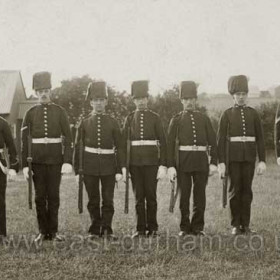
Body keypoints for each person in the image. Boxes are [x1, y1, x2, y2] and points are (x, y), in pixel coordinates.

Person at [21, 71, 73, 243]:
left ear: (50, 91)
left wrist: (67, 161)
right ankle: (43, 231)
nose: (43, 93)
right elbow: (24, 141)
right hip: (36, 161)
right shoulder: (30, 113)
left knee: (54, 196)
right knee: (39, 197)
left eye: (46, 90)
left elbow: (68, 137)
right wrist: (25, 165)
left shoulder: (60, 112)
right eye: (40, 90)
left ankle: (54, 231)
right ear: (36, 93)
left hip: (55, 160)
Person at [74, 81, 125, 239]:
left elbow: (120, 147)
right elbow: (78, 147)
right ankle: (95, 229)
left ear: (106, 102)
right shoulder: (84, 123)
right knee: (93, 199)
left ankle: (107, 229)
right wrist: (78, 171)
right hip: (89, 166)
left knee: (108, 199)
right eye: (95, 100)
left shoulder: (113, 122)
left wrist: (119, 169)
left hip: (109, 166)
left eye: (102, 100)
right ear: (90, 102)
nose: (99, 103)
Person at [217, 75, 266, 235]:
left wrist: (262, 160)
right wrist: (221, 162)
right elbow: (220, 141)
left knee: (247, 191)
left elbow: (260, 139)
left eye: (244, 93)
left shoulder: (253, 114)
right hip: (233, 158)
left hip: (249, 158)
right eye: (238, 94)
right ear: (233, 95)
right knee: (234, 190)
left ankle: (246, 224)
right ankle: (235, 224)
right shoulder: (227, 114)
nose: (241, 97)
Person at [167, 81, 217, 236]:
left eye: (192, 99)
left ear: (196, 100)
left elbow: (213, 141)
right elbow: (169, 145)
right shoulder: (176, 119)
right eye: (186, 99)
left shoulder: (204, 119)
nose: (189, 102)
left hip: (201, 162)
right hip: (183, 162)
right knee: (184, 195)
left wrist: (214, 162)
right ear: (182, 100)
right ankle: (184, 227)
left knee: (200, 195)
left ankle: (197, 227)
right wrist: (170, 166)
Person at [122, 80, 167, 238]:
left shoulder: (155, 118)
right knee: (138, 197)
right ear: (133, 100)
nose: (141, 101)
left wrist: (163, 165)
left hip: (151, 163)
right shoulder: (129, 118)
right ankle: (140, 229)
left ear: (147, 99)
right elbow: (123, 144)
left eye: (143, 98)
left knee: (151, 196)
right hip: (135, 164)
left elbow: (163, 141)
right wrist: (124, 167)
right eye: (137, 99)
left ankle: (153, 228)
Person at [0, 118, 19, 240]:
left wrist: (13, 166)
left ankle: (1, 234)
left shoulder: (2, 122)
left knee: (0, 199)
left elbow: (11, 145)